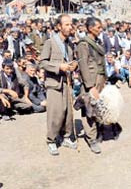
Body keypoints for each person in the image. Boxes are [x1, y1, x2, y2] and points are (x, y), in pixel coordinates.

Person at [40, 14, 78, 155]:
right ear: (59, 27)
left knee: (67, 112)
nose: (70, 27)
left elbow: (72, 61)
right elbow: (42, 62)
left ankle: (67, 137)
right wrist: (59, 66)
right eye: (67, 24)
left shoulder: (69, 44)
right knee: (55, 113)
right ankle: (51, 140)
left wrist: (73, 65)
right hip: (54, 83)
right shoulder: (50, 42)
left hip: (67, 83)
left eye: (71, 24)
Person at [77, 17, 106, 154]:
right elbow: (83, 66)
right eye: (98, 27)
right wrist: (90, 86)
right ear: (90, 28)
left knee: (98, 107)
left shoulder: (97, 42)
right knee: (89, 109)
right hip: (91, 81)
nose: (101, 30)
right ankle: (91, 139)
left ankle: (98, 131)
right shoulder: (83, 44)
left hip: (100, 78)